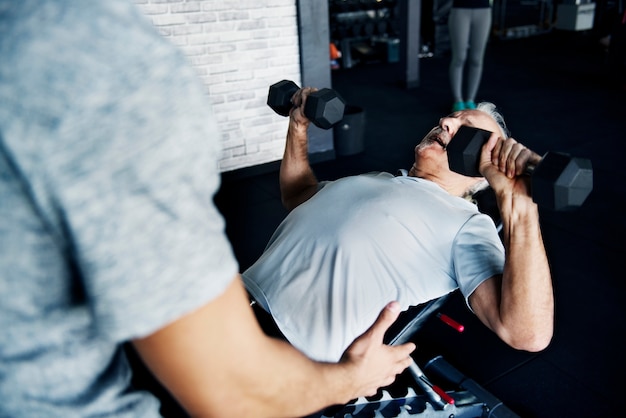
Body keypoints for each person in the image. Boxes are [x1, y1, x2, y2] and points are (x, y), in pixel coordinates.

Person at [0, 1, 417, 417]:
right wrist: (352, 379)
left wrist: (488, 179)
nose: (445, 129)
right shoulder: (98, 60)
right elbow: (236, 393)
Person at [243, 87, 554, 363]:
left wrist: (521, 209)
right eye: (449, 118)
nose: (445, 122)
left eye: (465, 129)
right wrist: (298, 127)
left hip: (284, 353)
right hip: (228, 304)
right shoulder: (377, 179)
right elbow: (298, 195)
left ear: (480, 170)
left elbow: (527, 334)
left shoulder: (467, 224)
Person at [447, 0, 492, 112]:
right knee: (459, 57)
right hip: (460, 9)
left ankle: (470, 100)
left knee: (476, 59)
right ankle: (458, 100)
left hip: (483, 9)